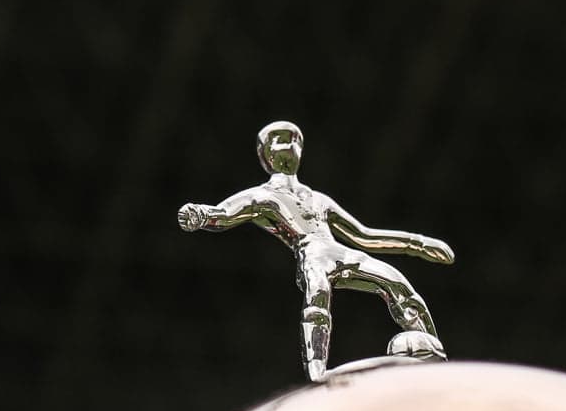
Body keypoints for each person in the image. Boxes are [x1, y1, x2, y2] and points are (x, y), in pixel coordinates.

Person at [179, 120, 455, 381]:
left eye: (294, 140)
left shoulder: (318, 198)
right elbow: (225, 214)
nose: (289, 145)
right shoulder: (261, 197)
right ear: (266, 155)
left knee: (396, 283)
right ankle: (317, 373)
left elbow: (364, 236)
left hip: (339, 251)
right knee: (318, 297)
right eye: (278, 140)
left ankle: (437, 355)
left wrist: (417, 244)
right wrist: (200, 215)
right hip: (312, 255)